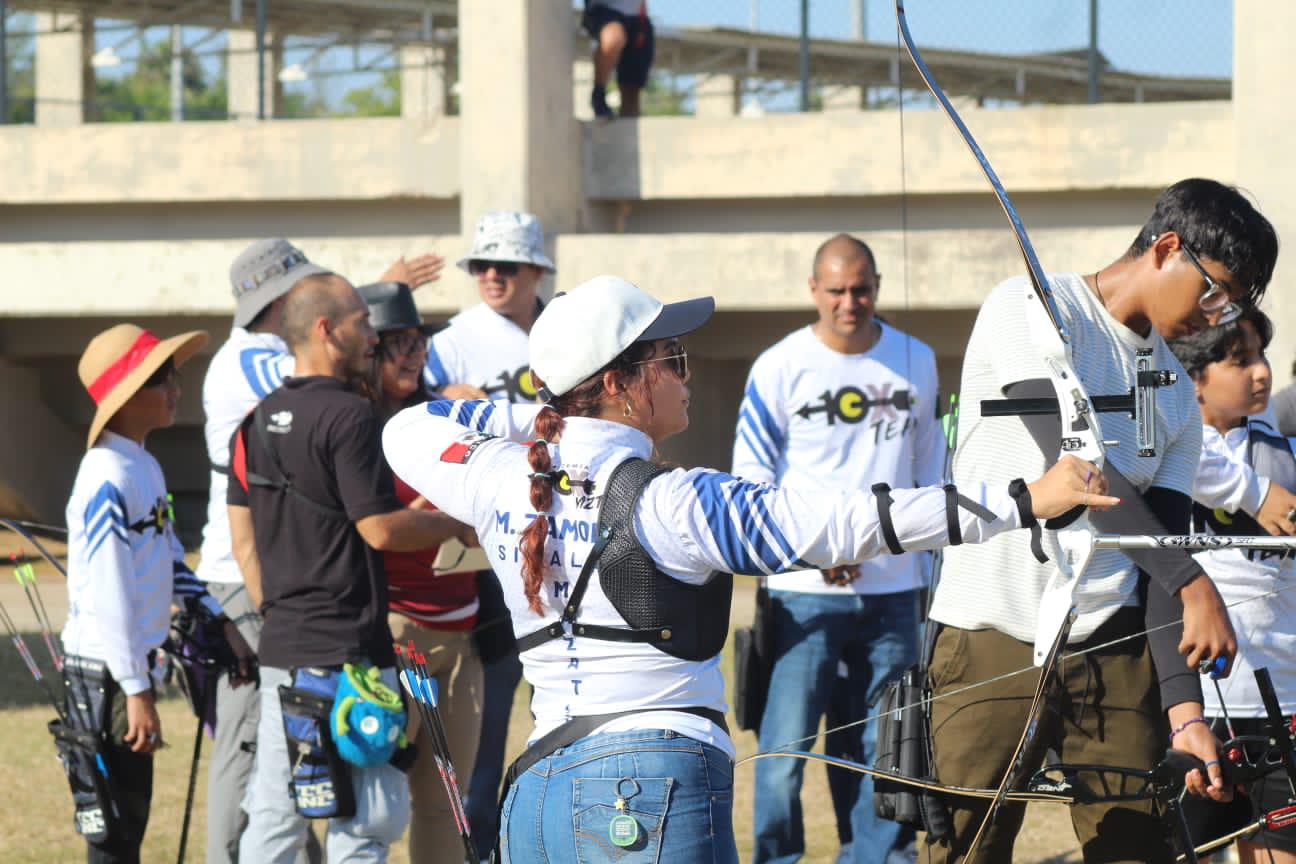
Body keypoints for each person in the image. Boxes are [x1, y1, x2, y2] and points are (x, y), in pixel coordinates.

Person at [382, 274, 1116, 862]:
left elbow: (407, 427)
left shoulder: (496, 477)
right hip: (647, 791)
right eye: (671, 359)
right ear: (619, 382)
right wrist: (1028, 497)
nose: (684, 374)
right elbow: (849, 521)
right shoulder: (676, 502)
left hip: (539, 795)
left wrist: (544, 420)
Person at [925, 178, 1278, 864]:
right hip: (990, 631)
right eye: (1215, 289)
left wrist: (1185, 714)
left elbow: (1159, 556)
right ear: (1167, 247)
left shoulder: (1177, 395)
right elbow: (1075, 469)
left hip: (1113, 643)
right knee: (966, 848)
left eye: (1234, 304)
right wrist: (1192, 577)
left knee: (1138, 848)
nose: (1219, 315)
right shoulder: (1029, 307)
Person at [198, 239, 443, 864]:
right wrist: (457, 525)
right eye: (363, 322)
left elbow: (242, 538)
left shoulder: (255, 422)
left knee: (278, 812)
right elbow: (380, 530)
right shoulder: (351, 417)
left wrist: (278, 616)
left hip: (285, 651)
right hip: (353, 656)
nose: (373, 336)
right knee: (367, 818)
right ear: (328, 330)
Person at [733, 234, 942, 864]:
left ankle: (878, 858)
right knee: (782, 755)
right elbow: (749, 481)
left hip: (896, 592)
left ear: (877, 285)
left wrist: (934, 569)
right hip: (802, 596)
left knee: (887, 747)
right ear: (813, 290)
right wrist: (812, 550)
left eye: (862, 289)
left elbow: (931, 470)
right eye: (836, 291)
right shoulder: (778, 365)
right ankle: (778, 858)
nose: (850, 303)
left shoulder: (918, 359)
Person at [62, 323, 254, 863]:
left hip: (125, 671)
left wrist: (220, 620)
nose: (177, 390)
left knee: (131, 822)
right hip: (102, 675)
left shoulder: (143, 465)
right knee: (112, 831)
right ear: (128, 397)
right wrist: (136, 688)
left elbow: (169, 558)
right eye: (164, 380)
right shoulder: (105, 477)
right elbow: (110, 592)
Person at [426, 210, 553, 858]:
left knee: (561, 709)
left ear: (537, 270)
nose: (493, 276)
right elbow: (415, 434)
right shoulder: (449, 343)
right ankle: (477, 845)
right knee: (487, 717)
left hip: (563, 538)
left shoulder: (564, 329)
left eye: (507, 265)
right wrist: (445, 398)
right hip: (486, 547)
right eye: (482, 265)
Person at [359, 281, 484, 863]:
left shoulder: (444, 417)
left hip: (462, 634)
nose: (413, 353)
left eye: (419, 341)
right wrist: (437, 518)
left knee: (445, 803)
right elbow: (369, 531)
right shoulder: (354, 426)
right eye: (397, 342)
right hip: (392, 633)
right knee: (374, 805)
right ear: (367, 348)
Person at [1169, 308, 1296, 863]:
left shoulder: (1286, 453)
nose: (1262, 373)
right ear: (1193, 377)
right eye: (1240, 360)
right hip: (1192, 708)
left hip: (1285, 702)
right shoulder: (1165, 453)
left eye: (1263, 357)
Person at [582, 0, 654, 118]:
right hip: (604, 9)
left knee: (631, 93)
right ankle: (598, 94)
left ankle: (625, 132)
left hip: (638, 17)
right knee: (613, 39)